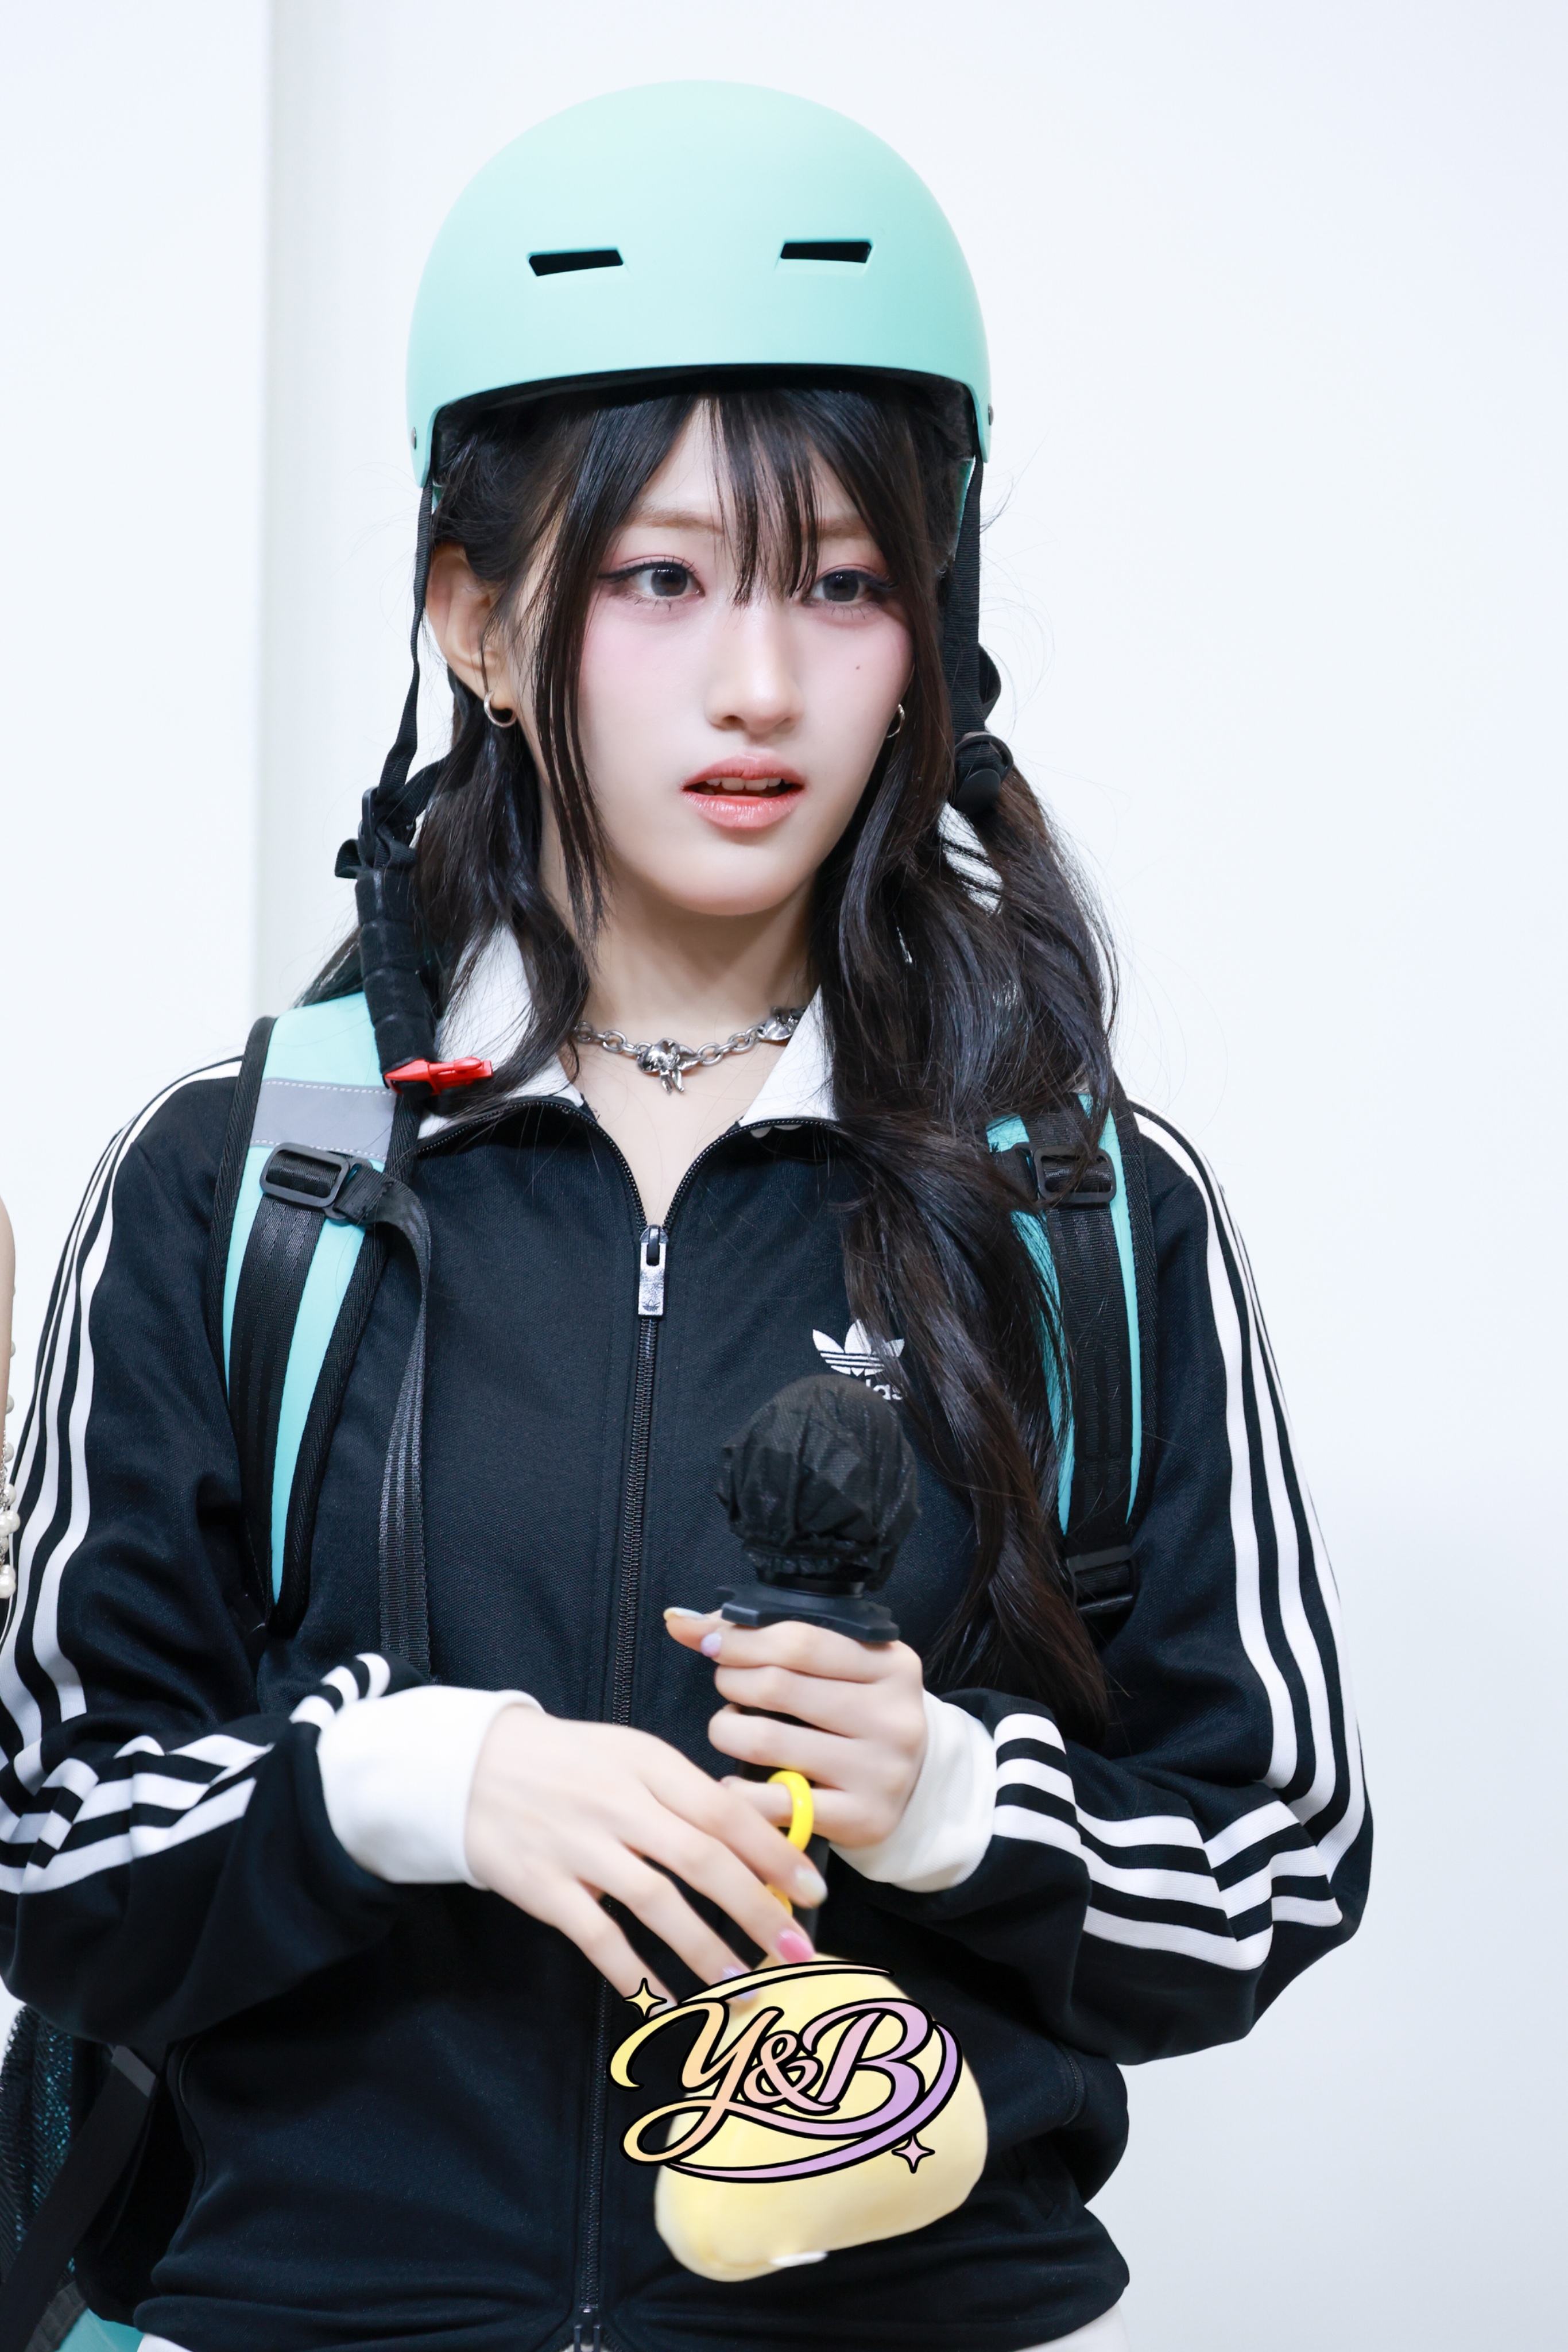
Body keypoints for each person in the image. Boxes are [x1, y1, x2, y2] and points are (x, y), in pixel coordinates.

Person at [0, 82, 1368, 2352]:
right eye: (659, 577)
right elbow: (49, 1840)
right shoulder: (243, 1184)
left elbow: (1271, 1857)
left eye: (840, 582)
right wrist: (419, 1783)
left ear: (928, 630)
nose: (759, 683)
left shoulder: (1079, 1207)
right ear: (475, 614)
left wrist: (949, 1796)